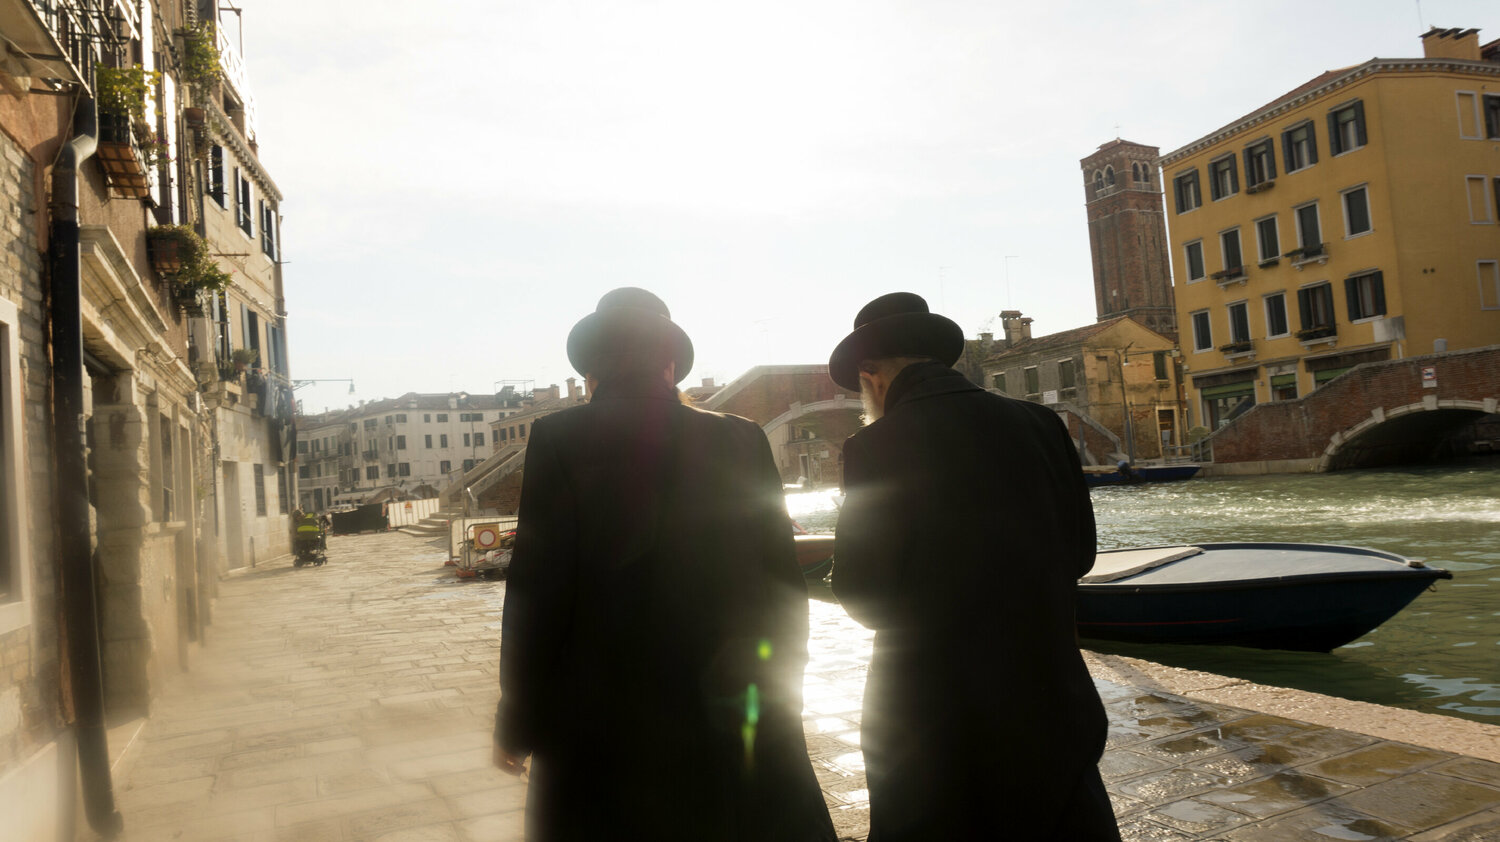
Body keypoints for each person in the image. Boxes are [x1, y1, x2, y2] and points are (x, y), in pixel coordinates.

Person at [494, 288, 836, 842]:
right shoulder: (741, 437)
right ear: (670, 365)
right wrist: (783, 685)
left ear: (591, 372)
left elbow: (538, 591)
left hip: (603, 712)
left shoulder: (560, 437)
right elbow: (780, 578)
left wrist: (518, 723)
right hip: (726, 696)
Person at [828, 292, 1120, 841]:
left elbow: (863, 593)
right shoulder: (1040, 424)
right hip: (1047, 686)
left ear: (871, 374)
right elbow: (1080, 553)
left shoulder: (875, 444)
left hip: (932, 705)